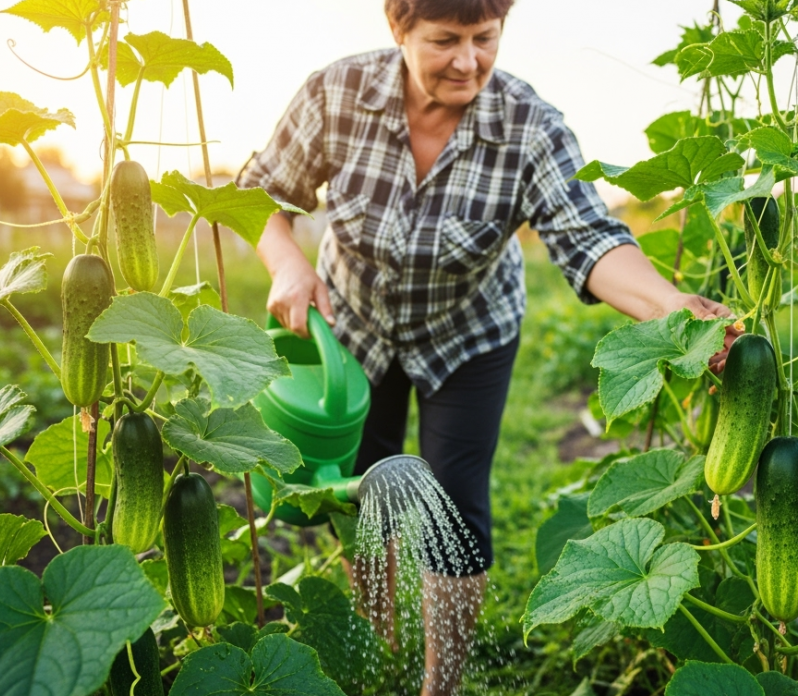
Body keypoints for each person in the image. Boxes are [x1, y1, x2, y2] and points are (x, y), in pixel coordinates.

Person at [241, 1, 735, 693]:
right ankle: (380, 635)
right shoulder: (337, 92)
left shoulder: (528, 124)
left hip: (468, 336)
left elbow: (588, 235)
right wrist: (288, 263)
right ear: (399, 29)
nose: (468, 61)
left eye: (484, 39)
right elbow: (260, 190)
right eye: (444, 40)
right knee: (358, 494)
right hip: (353, 328)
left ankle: (441, 681)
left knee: (453, 505)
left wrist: (672, 306)